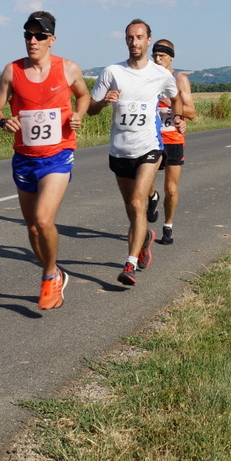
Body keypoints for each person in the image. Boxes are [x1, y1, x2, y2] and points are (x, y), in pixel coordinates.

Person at [0, 11, 90, 310]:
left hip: (58, 155)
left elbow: (82, 96)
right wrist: (2, 121)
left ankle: (49, 277)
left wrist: (79, 115)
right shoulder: (12, 71)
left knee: (45, 219)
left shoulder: (68, 69)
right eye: (27, 35)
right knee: (32, 227)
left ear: (52, 40)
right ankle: (54, 270)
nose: (32, 41)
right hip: (24, 158)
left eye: (39, 36)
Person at [88, 19, 181, 287]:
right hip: (120, 150)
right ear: (125, 40)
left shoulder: (161, 74)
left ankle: (129, 264)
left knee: (139, 203)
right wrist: (105, 101)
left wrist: (178, 117)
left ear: (148, 40)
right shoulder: (112, 72)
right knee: (132, 209)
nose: (134, 42)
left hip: (149, 147)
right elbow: (91, 108)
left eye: (139, 37)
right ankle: (144, 241)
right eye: (130, 37)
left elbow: (174, 97)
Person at [146, 39, 196, 245]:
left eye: (162, 56)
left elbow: (191, 112)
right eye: (155, 56)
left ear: (171, 57)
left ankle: (168, 227)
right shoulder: (147, 77)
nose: (158, 60)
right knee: (145, 184)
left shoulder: (180, 79)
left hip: (173, 139)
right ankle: (152, 198)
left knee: (172, 189)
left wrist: (171, 105)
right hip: (150, 139)